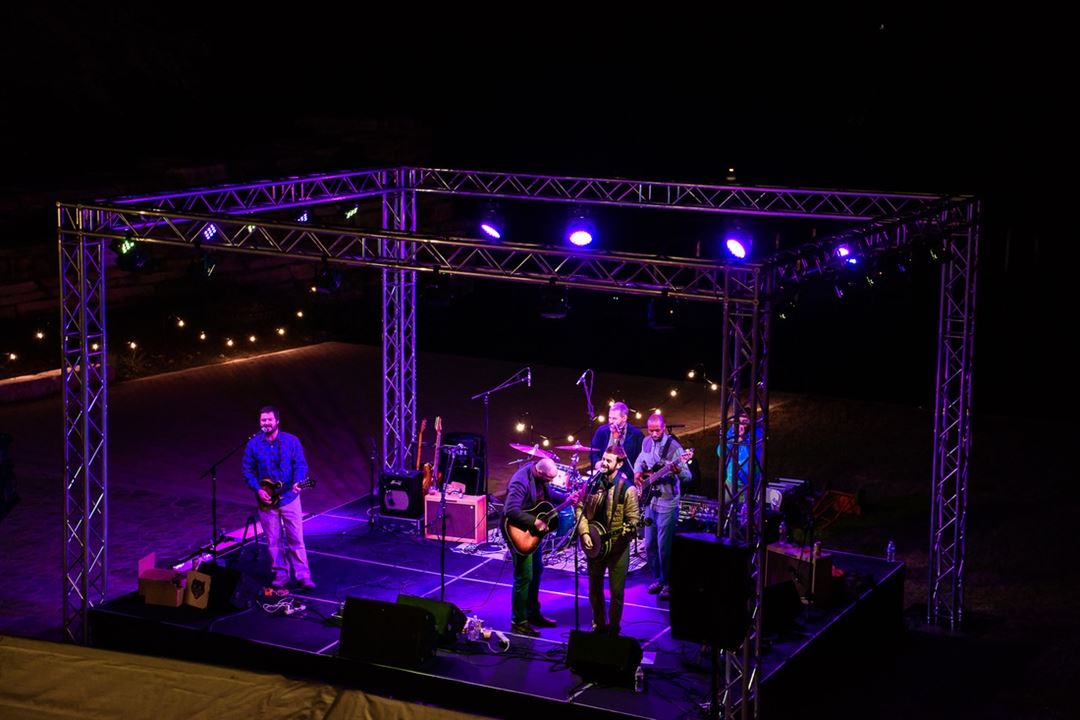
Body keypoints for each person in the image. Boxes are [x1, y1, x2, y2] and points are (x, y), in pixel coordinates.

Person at [242, 406, 315, 590]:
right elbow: (247, 470)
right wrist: (258, 490)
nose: (265, 423)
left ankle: (303, 576)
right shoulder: (253, 444)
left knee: (296, 539)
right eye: (262, 420)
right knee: (273, 541)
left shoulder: (291, 441)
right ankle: (280, 575)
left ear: (277, 422)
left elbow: (300, 465)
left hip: (289, 497)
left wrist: (298, 483)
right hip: (266, 500)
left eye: (269, 420)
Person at [577, 446, 640, 636]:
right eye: (603, 459)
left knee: (616, 593)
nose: (603, 463)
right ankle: (598, 625)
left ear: (619, 464)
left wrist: (628, 531)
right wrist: (584, 533)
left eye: (608, 460)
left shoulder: (628, 489)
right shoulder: (592, 483)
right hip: (595, 546)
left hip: (617, 549)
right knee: (594, 590)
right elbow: (580, 507)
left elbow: (634, 521)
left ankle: (613, 629)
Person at [633, 413, 690, 601]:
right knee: (649, 544)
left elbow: (688, 477)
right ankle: (658, 579)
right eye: (651, 430)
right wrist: (637, 473)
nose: (654, 433)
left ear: (664, 428)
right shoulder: (646, 442)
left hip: (668, 502)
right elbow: (640, 460)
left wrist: (678, 470)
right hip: (651, 501)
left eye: (657, 430)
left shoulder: (675, 448)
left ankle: (668, 583)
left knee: (664, 547)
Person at [502, 457, 562, 637]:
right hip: (517, 531)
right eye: (549, 479)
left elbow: (550, 496)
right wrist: (534, 521)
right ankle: (518, 621)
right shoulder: (520, 481)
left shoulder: (540, 478)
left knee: (537, 569)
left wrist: (568, 498)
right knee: (524, 575)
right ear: (540, 472)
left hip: (531, 531)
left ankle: (532, 613)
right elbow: (510, 510)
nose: (550, 482)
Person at [589, 402, 643, 483]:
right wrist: (597, 463)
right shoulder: (601, 431)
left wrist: (629, 475)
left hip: (626, 480)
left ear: (624, 418)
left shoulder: (636, 435)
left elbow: (641, 459)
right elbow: (592, 451)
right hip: (604, 477)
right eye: (609, 418)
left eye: (614, 418)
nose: (610, 421)